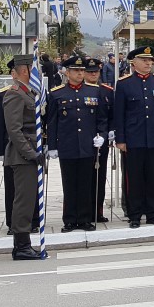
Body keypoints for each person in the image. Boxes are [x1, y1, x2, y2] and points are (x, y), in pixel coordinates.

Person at [46, 56, 109, 232]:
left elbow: (101, 119)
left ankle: (85, 219)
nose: (80, 73)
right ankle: (69, 220)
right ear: (67, 72)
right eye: (76, 70)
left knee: (86, 184)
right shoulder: (57, 93)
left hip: (88, 145)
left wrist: (102, 135)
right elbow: (52, 122)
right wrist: (52, 146)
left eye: (82, 70)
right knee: (69, 184)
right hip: (67, 145)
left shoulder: (95, 91)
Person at [114, 47, 154, 229]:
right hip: (134, 138)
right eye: (145, 60)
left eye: (150, 60)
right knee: (134, 178)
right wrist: (121, 139)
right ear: (134, 63)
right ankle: (135, 214)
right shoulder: (124, 84)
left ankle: (153, 213)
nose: (149, 63)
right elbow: (119, 115)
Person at [1, 55, 45, 260]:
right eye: (32, 68)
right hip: (23, 156)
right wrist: (31, 154)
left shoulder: (29, 92)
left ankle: (23, 244)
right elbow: (14, 130)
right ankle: (21, 246)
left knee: (29, 200)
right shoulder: (15, 94)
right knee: (24, 202)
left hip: (32, 152)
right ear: (25, 71)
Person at [85, 58, 115, 223]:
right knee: (84, 178)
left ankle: (98, 211)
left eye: (95, 72)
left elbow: (111, 115)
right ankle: (84, 212)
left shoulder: (107, 91)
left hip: (101, 140)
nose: (93, 75)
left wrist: (110, 131)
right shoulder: (81, 90)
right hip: (83, 141)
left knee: (100, 177)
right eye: (89, 72)